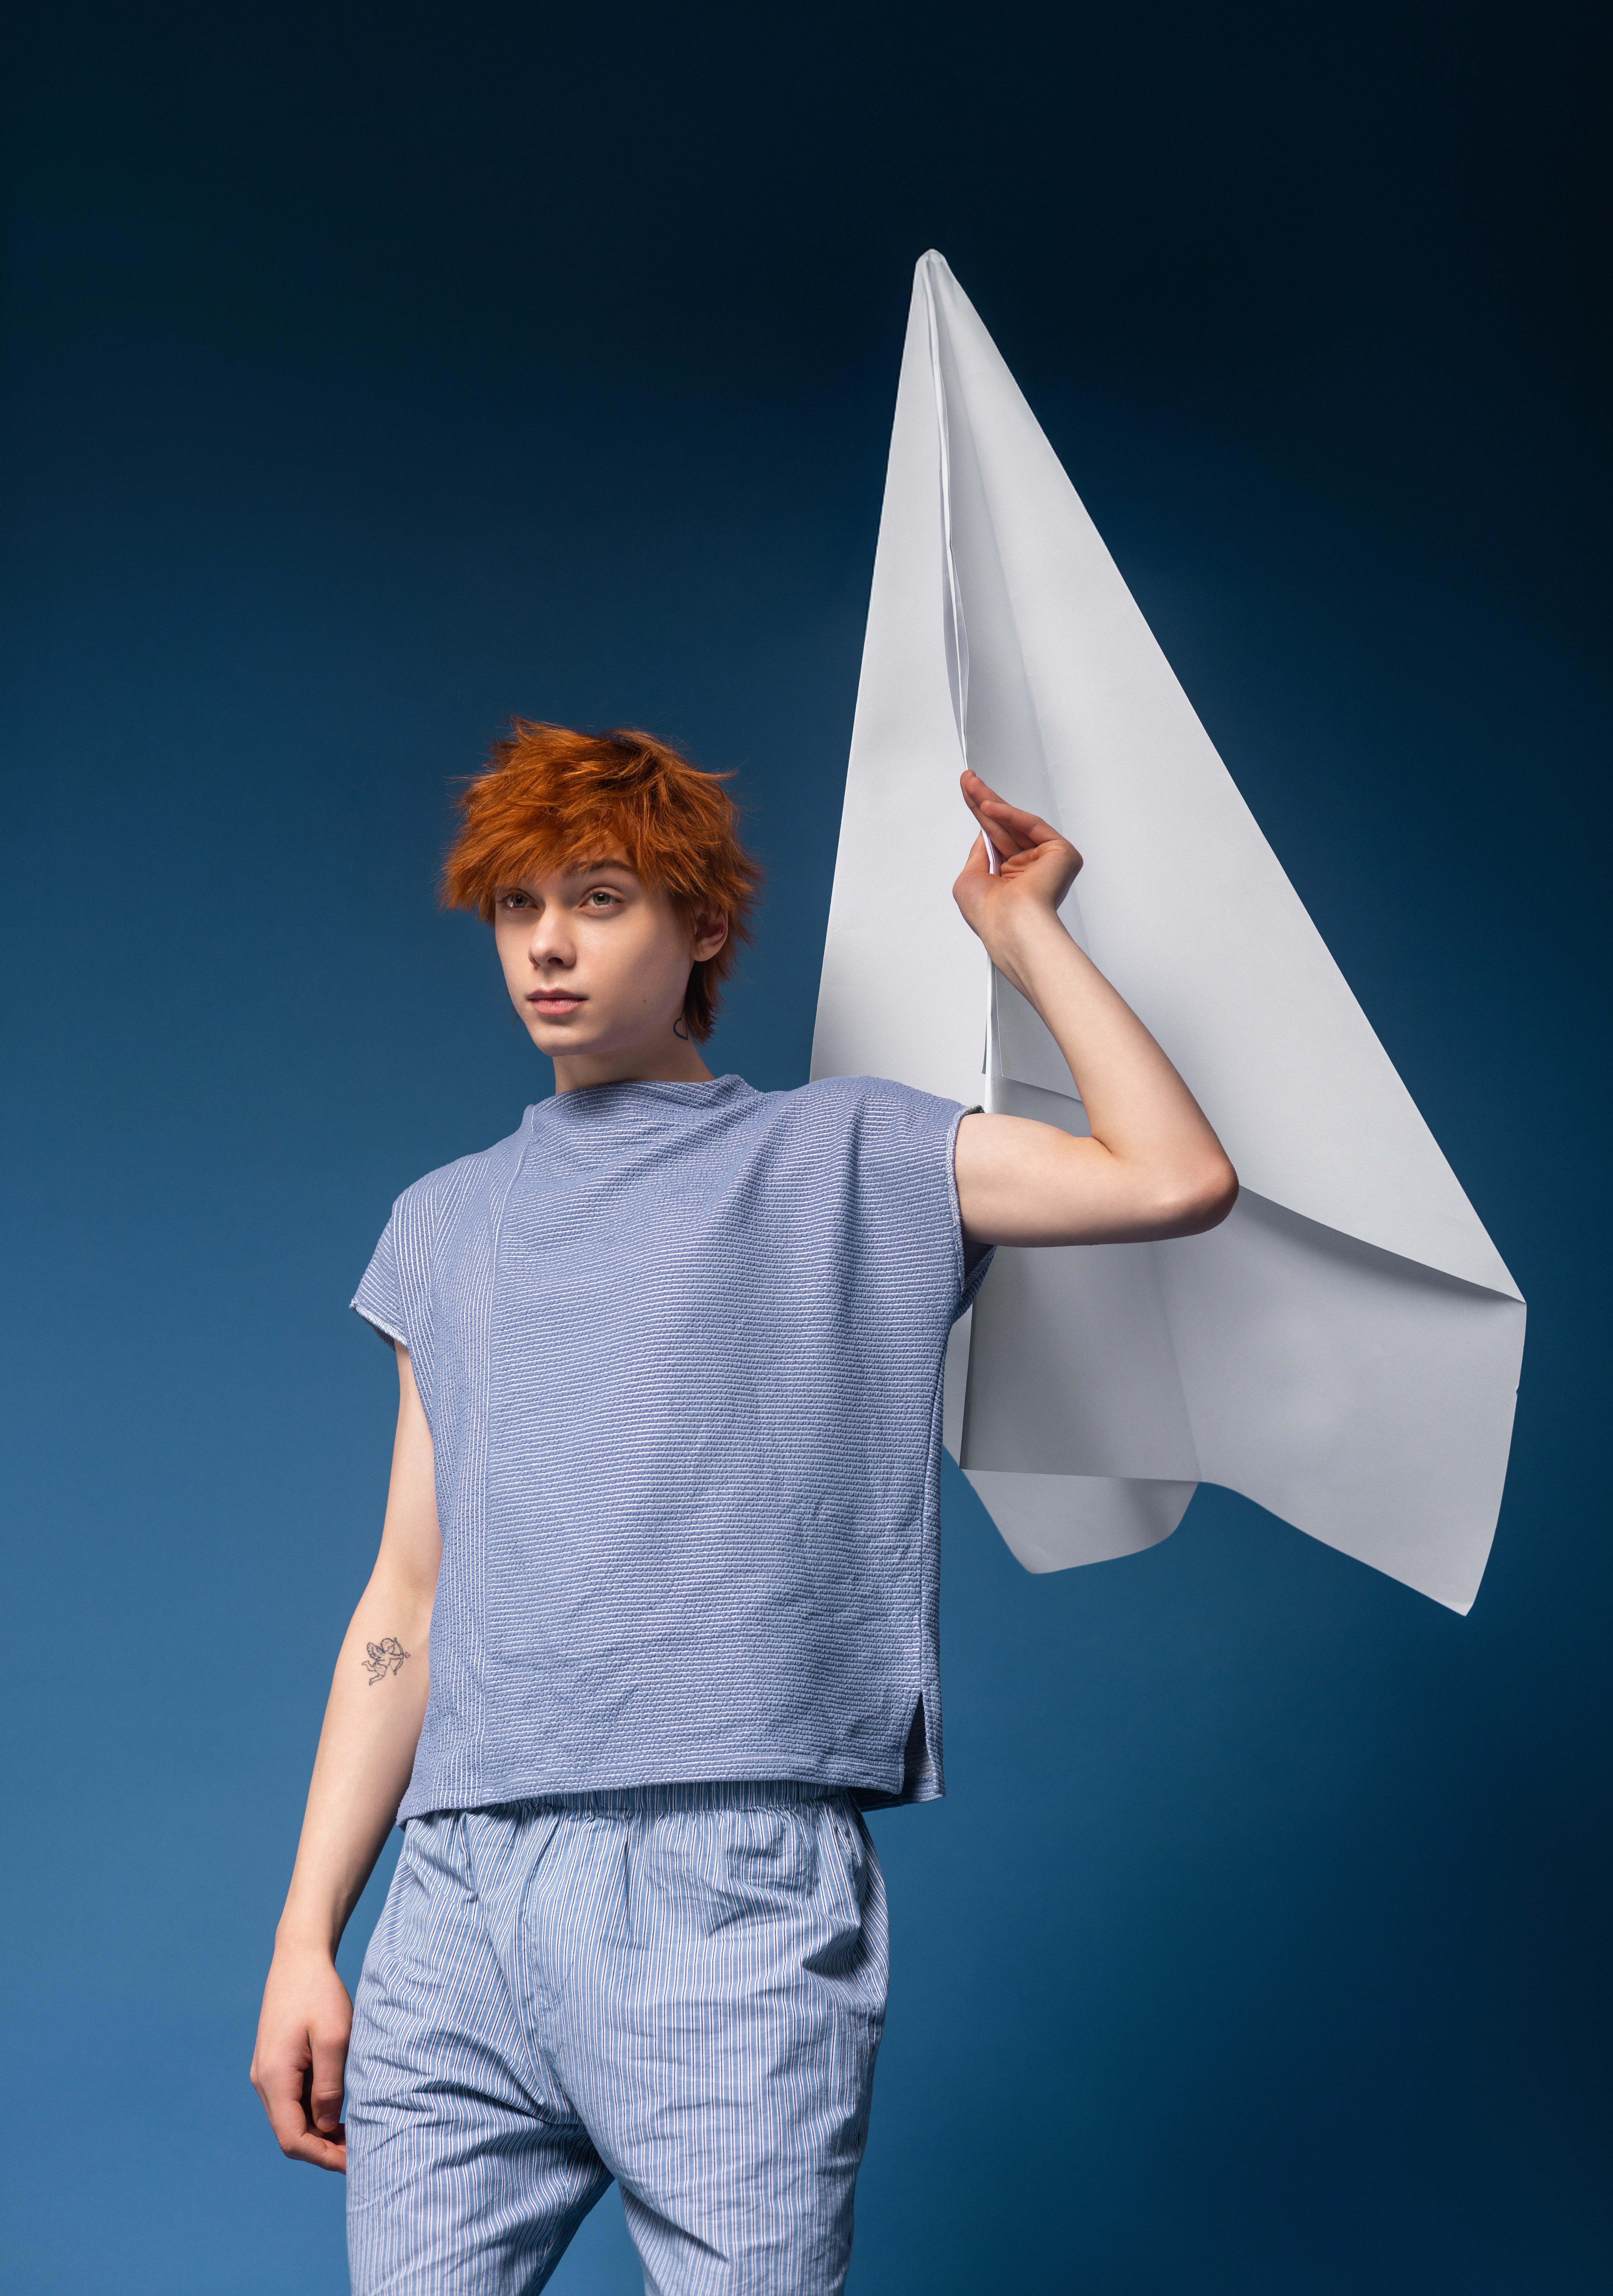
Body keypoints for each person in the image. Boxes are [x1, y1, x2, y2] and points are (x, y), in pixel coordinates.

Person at [249, 720, 1236, 2294]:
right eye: (518, 909)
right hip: (455, 1895)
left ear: (703, 927)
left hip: (722, 1877)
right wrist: (311, 1937)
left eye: (599, 899)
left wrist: (1018, 928)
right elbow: (405, 1600)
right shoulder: (440, 1225)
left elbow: (1172, 1177)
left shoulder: (845, 1150)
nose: (549, 948)